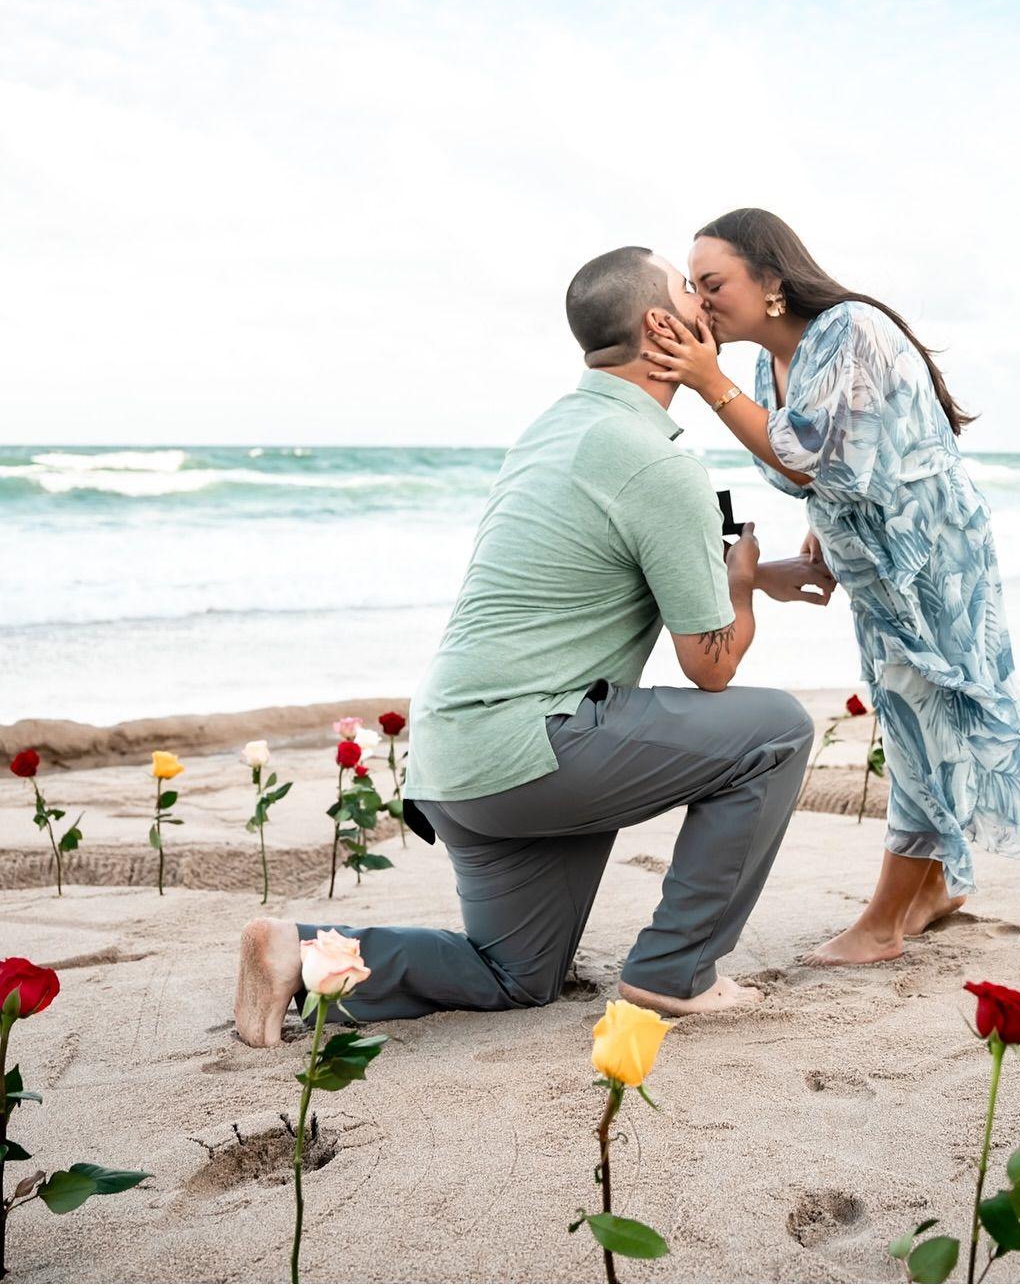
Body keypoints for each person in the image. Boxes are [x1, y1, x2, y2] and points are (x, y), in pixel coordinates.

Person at [233, 246, 833, 1044]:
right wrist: (737, 584)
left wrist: (753, 578)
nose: (705, 301)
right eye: (689, 288)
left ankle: (300, 956)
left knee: (516, 974)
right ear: (661, 323)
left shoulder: (553, 430)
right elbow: (711, 666)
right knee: (777, 730)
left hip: (453, 762)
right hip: (530, 751)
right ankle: (675, 973)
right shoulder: (656, 460)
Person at [640, 208, 1020, 967]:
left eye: (713, 284)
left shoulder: (847, 327)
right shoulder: (761, 367)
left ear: (771, 280)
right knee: (916, 711)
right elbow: (813, 469)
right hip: (876, 558)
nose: (700, 303)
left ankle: (881, 924)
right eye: (695, 287)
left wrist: (708, 385)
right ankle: (936, 889)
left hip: (928, 554)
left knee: (920, 718)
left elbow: (810, 455)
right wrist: (826, 521)